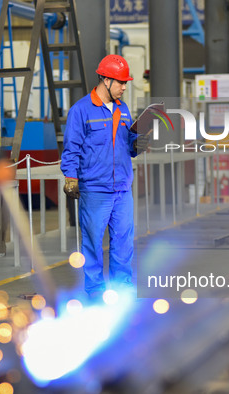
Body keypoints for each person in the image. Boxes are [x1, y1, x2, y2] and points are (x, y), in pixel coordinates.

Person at [61, 54, 149, 298]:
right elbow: (71, 148)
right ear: (105, 80)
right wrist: (71, 178)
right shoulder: (81, 111)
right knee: (92, 245)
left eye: (125, 83)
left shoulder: (123, 109)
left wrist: (139, 142)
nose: (124, 87)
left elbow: (128, 148)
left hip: (122, 189)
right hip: (95, 190)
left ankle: (122, 292)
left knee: (123, 245)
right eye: (120, 82)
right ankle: (95, 293)